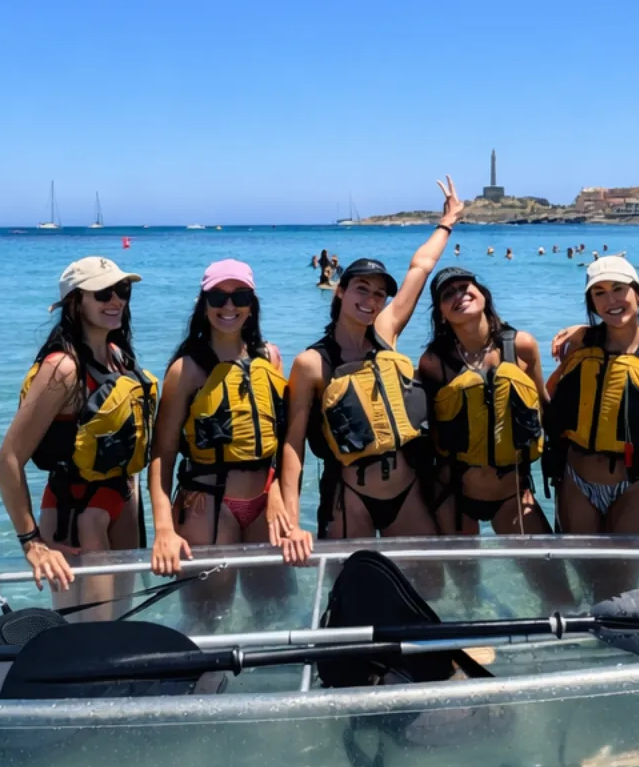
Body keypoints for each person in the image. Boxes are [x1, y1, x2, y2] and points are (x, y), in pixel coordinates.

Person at [278, 179, 464, 557]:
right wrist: (292, 522)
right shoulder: (313, 363)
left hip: (406, 490)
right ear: (341, 291)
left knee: (429, 581)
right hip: (350, 495)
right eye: (362, 288)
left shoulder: (385, 333)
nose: (371, 300)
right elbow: (293, 445)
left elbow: (420, 268)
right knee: (353, 581)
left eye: (379, 294)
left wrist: (448, 222)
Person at [0, 257, 157, 614]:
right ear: (75, 303)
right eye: (102, 293)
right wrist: (32, 543)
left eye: (122, 290)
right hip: (77, 515)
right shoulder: (63, 369)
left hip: (121, 504)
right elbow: (7, 461)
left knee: (121, 624)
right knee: (86, 635)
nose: (116, 301)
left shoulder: (118, 356)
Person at [148, 261, 288, 573]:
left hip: (265, 504)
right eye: (217, 297)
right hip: (208, 505)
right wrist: (164, 529)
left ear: (251, 305)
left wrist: (278, 492)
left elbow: (280, 443)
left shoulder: (270, 359)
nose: (229, 306)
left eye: (240, 297)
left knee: (274, 599)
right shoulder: (186, 370)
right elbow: (162, 454)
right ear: (204, 305)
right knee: (209, 603)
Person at [546, 259, 639, 570]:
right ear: (591, 303)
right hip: (576, 481)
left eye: (619, 289)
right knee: (586, 577)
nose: (611, 300)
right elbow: (553, 404)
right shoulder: (579, 344)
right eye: (599, 293)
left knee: (623, 580)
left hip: (637, 484)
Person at [416, 268, 549, 536]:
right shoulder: (434, 362)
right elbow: (429, 431)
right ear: (441, 313)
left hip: (512, 493)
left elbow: (543, 406)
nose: (459, 295)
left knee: (549, 564)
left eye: (465, 287)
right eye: (448, 294)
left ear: (483, 295)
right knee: (463, 567)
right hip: (454, 494)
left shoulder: (521, 346)